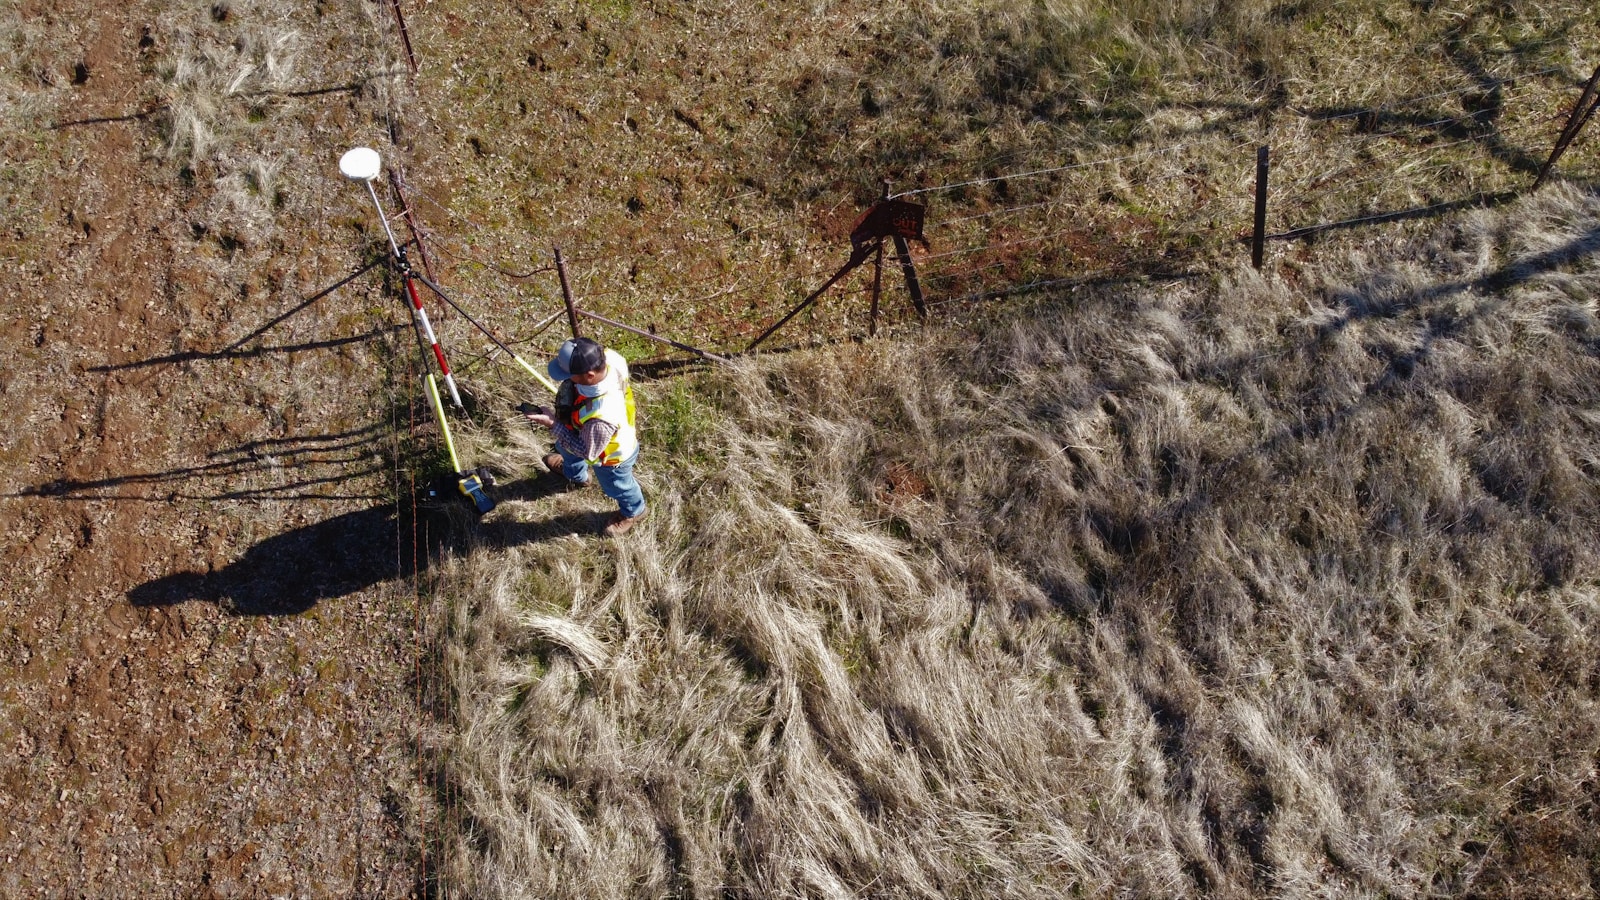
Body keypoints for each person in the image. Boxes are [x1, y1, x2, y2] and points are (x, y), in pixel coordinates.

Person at [523, 337, 647, 536]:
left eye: (569, 374)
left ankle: (633, 510)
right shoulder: (610, 358)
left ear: (589, 375)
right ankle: (576, 476)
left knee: (618, 487)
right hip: (581, 430)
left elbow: (586, 452)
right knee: (566, 448)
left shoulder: (601, 417)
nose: (565, 379)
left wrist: (553, 424)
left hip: (611, 457)